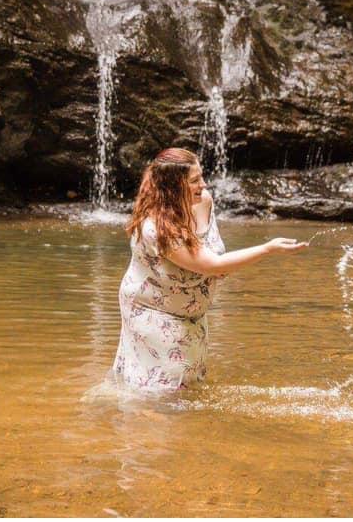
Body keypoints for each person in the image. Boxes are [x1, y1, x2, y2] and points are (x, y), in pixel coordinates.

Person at [111, 147, 306, 392]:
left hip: (191, 312)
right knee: (160, 388)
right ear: (173, 187)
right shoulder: (157, 229)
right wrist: (268, 249)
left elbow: (213, 254)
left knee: (189, 382)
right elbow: (211, 265)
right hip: (153, 311)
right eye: (194, 181)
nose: (203, 185)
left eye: (201, 176)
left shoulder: (203, 201)